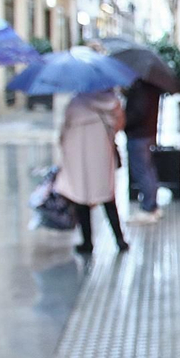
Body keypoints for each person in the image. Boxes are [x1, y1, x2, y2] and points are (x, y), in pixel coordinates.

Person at [57, 88, 129, 255]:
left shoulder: (75, 104)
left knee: (81, 199)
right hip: (102, 156)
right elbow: (119, 126)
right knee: (108, 198)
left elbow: (63, 133)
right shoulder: (112, 103)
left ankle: (87, 242)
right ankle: (120, 239)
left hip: (78, 158)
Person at [123, 77, 163, 222]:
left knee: (142, 170)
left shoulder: (141, 89)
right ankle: (151, 204)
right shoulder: (151, 86)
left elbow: (137, 113)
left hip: (139, 135)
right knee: (147, 169)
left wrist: (124, 121)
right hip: (146, 133)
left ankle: (149, 206)